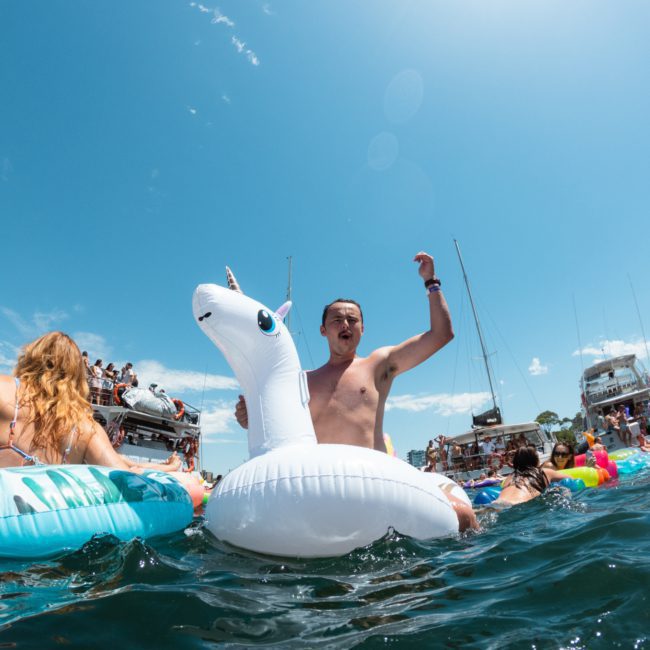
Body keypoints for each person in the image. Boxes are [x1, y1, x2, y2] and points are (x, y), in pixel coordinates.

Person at [235, 252, 476, 531]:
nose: (345, 324)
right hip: (321, 486)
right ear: (323, 330)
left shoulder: (379, 365)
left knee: (465, 517)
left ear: (362, 328)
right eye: (337, 320)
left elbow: (441, 334)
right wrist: (248, 418)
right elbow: (271, 428)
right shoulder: (298, 381)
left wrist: (431, 282)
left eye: (352, 319)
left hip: (378, 481)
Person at [0, 332, 181, 473]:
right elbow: (124, 473)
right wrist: (168, 469)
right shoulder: (85, 429)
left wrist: (165, 466)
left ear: (29, 358)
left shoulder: (4, 390)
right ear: (78, 376)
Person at [496, 446, 567, 505]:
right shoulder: (543, 472)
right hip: (518, 505)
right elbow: (571, 478)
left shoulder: (509, 477)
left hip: (496, 504)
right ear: (536, 461)